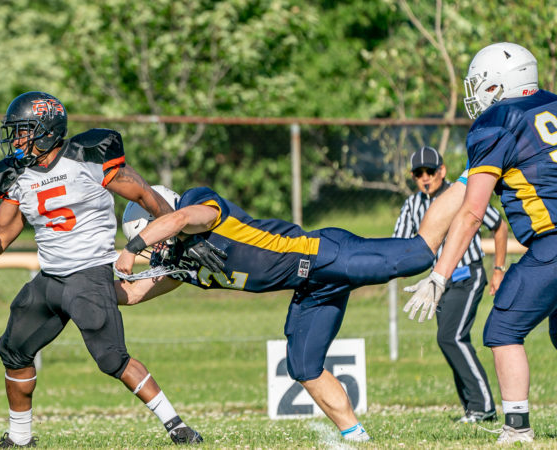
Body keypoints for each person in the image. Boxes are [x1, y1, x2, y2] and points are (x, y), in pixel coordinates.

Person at [0, 91, 203, 447]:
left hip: (89, 275)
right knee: (14, 351)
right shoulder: (17, 176)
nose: (16, 140)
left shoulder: (87, 157)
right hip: (50, 278)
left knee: (112, 359)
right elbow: (1, 235)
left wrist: (175, 231)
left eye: (23, 130)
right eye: (15, 132)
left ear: (47, 130)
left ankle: (176, 425)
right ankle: (19, 438)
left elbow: (143, 194)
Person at [113, 184, 454, 443]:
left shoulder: (197, 205)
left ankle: (469, 181)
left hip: (323, 255)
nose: (156, 249)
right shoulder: (181, 263)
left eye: (153, 239)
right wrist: (87, 291)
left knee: (419, 255)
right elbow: (133, 294)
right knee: (304, 365)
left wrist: (131, 249)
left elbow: (183, 219)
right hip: (311, 287)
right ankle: (357, 437)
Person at [404, 42, 557, 444]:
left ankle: (517, 428)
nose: (476, 95)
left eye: (480, 85)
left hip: (552, 244)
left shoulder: (497, 122)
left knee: (503, 329)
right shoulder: (549, 106)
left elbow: (473, 212)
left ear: (499, 83)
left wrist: (439, 275)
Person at [394, 145, 507, 423]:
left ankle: (484, 407)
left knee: (451, 337)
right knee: (450, 340)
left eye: (430, 171)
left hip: (467, 275)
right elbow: (399, 245)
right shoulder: (412, 206)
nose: (425, 177)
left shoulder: (463, 193)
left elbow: (499, 226)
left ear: (442, 171)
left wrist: (499, 269)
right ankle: (472, 409)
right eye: (418, 173)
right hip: (437, 284)